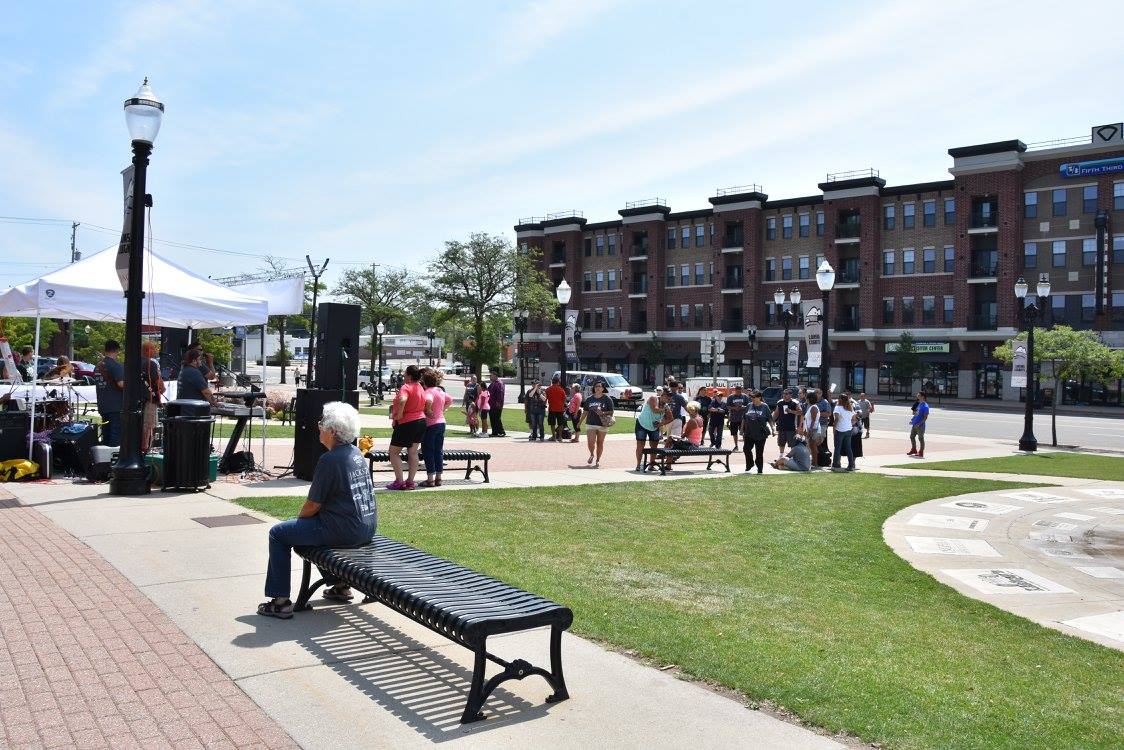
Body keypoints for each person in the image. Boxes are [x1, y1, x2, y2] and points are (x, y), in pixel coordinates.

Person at [258, 401, 376, 619]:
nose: (318, 426)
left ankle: (280, 601)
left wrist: (299, 520)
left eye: (322, 423)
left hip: (344, 530)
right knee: (306, 530)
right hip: (365, 528)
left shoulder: (330, 460)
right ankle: (340, 584)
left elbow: (313, 505)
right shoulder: (355, 453)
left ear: (332, 431)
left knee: (279, 533)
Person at [387, 364, 426, 490]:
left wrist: (399, 414)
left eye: (405, 373)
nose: (403, 375)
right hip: (421, 421)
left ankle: (399, 481)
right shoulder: (420, 386)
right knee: (413, 452)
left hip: (407, 423)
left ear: (409, 375)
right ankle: (410, 482)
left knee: (393, 452)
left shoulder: (406, 386)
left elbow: (403, 399)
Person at [420, 369, 453, 487]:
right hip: (441, 423)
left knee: (428, 451)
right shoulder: (440, 390)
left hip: (431, 424)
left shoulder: (428, 391)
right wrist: (443, 409)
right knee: (438, 451)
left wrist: (428, 410)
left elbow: (428, 399)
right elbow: (450, 399)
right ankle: (439, 477)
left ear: (425, 382)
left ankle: (430, 479)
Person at [95, 340, 126, 446]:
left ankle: (104, 460)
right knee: (115, 437)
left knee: (106, 435)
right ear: (117, 350)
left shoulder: (98, 366)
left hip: (103, 404)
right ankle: (113, 461)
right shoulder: (116, 366)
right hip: (115, 406)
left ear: (105, 349)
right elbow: (121, 384)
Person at [140, 341, 165, 454]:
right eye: (153, 349)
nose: (155, 351)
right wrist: (162, 389)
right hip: (149, 399)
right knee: (149, 426)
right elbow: (159, 384)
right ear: (146, 350)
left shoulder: (131, 362)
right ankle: (145, 450)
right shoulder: (151, 364)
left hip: (135, 400)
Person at [741, 390, 773, 474]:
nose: (752, 399)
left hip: (760, 433)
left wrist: (773, 428)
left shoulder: (764, 406)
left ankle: (759, 469)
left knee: (759, 452)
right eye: (751, 397)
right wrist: (741, 429)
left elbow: (770, 418)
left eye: (754, 397)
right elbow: (744, 418)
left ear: (759, 398)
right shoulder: (749, 405)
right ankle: (750, 464)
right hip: (749, 432)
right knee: (746, 449)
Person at [584, 379, 614, 468]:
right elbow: (585, 411)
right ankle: (592, 454)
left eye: (599, 386)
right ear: (594, 388)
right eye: (596, 386)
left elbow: (611, 412)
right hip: (591, 423)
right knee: (590, 442)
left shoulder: (607, 399)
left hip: (602, 424)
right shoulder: (589, 399)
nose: (598, 388)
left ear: (603, 388)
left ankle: (598, 460)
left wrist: (603, 413)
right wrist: (579, 422)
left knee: (600, 443)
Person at [634, 392, 662, 471]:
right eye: (665, 396)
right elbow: (654, 410)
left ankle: (651, 465)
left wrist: (661, 423)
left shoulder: (666, 405)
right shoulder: (653, 398)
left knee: (654, 446)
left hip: (654, 426)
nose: (667, 398)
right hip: (642, 424)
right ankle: (638, 465)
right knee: (640, 445)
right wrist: (665, 410)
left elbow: (669, 418)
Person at [831, 393, 856, 471]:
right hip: (848, 429)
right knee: (848, 448)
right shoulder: (850, 408)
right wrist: (849, 424)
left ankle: (836, 465)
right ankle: (851, 465)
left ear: (840, 399)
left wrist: (834, 428)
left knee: (837, 448)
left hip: (840, 429)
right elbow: (854, 419)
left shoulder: (838, 407)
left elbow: (836, 419)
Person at [804, 390, 826, 469]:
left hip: (813, 429)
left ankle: (815, 463)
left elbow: (813, 420)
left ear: (809, 399)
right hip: (812, 429)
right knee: (812, 447)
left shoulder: (813, 407)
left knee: (813, 448)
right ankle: (814, 463)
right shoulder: (811, 407)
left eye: (807, 398)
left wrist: (809, 430)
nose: (806, 399)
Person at [773, 388, 798, 457]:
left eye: (786, 394)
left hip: (791, 427)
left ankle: (793, 457)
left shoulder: (794, 403)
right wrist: (772, 422)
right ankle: (781, 456)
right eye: (783, 393)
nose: (784, 395)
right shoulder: (780, 403)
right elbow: (776, 414)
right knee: (781, 443)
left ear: (791, 395)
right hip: (781, 426)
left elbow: (800, 412)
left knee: (792, 444)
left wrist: (790, 411)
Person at [726, 385, 749, 451]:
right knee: (734, 433)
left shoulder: (745, 396)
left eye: (740, 391)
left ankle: (746, 446)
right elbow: (727, 406)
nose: (738, 392)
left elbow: (748, 406)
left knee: (744, 432)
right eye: (737, 391)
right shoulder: (731, 397)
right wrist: (734, 408)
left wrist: (742, 407)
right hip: (734, 418)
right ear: (735, 390)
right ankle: (736, 446)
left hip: (743, 418)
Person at [545, 375, 567, 441]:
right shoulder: (561, 390)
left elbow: (545, 399)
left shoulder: (548, 389)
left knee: (552, 423)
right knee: (560, 423)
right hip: (560, 409)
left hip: (552, 408)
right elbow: (564, 399)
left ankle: (554, 437)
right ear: (558, 382)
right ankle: (560, 437)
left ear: (552, 381)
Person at [908, 391, 929, 458]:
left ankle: (921, 452)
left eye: (918, 395)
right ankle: (914, 449)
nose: (917, 396)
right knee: (912, 436)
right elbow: (916, 414)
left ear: (922, 396)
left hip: (920, 425)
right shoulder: (919, 404)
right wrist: (912, 419)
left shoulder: (925, 406)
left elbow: (925, 418)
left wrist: (919, 424)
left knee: (920, 438)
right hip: (915, 424)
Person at [487, 372, 506, 437]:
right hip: (491, 404)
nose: (490, 377)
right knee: (492, 418)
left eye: (491, 376)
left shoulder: (499, 383)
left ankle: (502, 431)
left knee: (497, 418)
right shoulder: (492, 383)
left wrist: (498, 403)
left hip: (496, 405)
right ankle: (494, 432)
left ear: (495, 376)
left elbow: (500, 394)